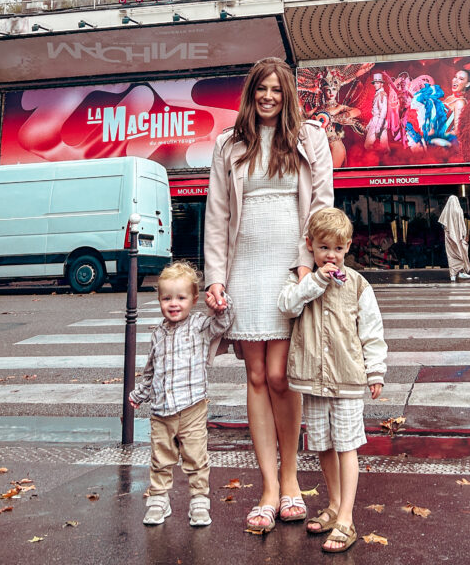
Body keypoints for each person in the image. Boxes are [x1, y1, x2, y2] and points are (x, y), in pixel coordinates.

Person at [203, 57, 334, 535]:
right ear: (251, 93)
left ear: (288, 95)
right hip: (245, 269)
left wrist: (307, 264)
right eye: (262, 89)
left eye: (277, 90)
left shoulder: (310, 138)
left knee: (282, 375)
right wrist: (216, 277)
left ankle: (292, 479)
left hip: (288, 265)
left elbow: (322, 203)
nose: (269, 97)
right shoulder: (228, 145)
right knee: (256, 374)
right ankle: (269, 488)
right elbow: (217, 216)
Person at [277, 207, 387, 554]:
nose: (331, 256)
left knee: (346, 446)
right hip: (313, 379)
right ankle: (335, 505)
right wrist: (314, 281)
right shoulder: (302, 280)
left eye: (338, 249)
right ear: (310, 246)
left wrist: (376, 371)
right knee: (323, 445)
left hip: (347, 379)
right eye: (324, 248)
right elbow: (287, 306)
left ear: (348, 248)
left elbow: (372, 331)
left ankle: (347, 518)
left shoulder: (357, 284)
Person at [129, 261, 233, 528]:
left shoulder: (199, 325)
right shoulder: (158, 333)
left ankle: (199, 500)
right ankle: (158, 499)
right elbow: (150, 369)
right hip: (161, 412)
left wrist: (219, 306)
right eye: (167, 298)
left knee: (196, 457)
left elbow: (223, 324)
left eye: (181, 298)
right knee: (160, 458)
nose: (173, 304)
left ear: (194, 299)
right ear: (160, 300)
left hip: (192, 409)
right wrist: (139, 394)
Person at [439, 194, 470, 281]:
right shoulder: (459, 210)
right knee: (461, 253)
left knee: (452, 255)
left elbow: (443, 224)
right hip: (459, 236)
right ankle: (461, 272)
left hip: (450, 236)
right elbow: (462, 223)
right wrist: (464, 233)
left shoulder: (446, 211)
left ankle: (453, 274)